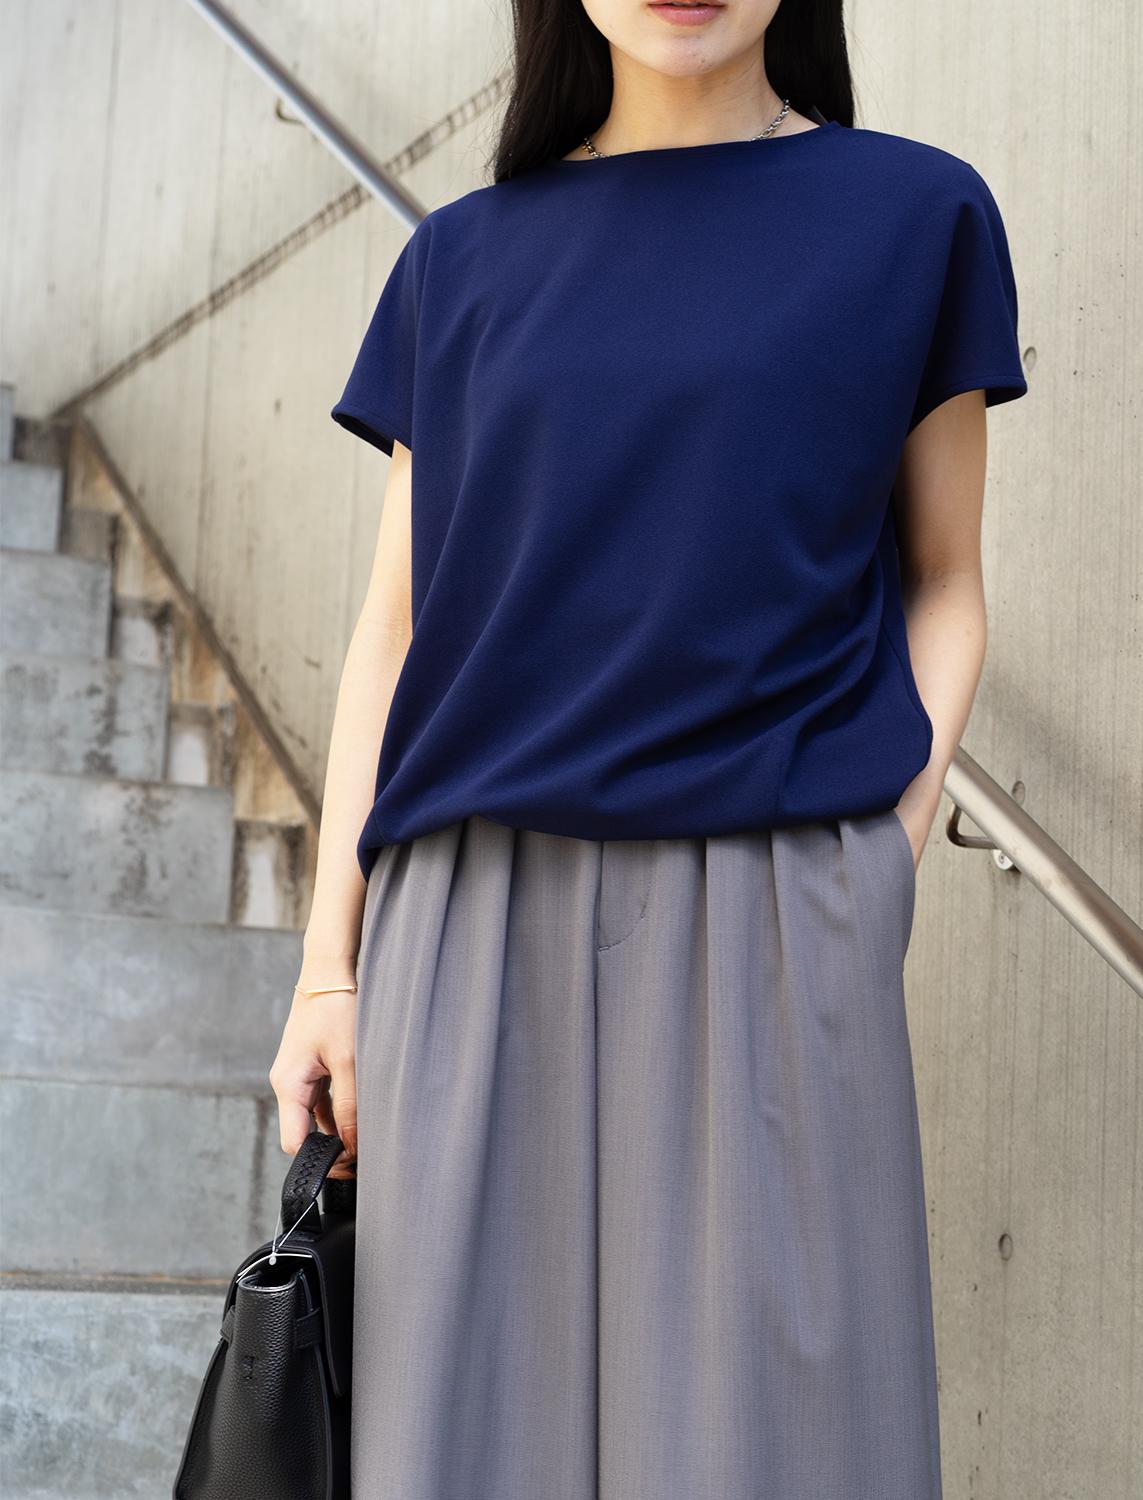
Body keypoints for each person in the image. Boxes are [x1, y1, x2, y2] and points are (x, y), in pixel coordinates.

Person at [268, 0, 1028, 1493]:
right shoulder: (459, 260)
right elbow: (398, 631)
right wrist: (326, 969)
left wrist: (884, 846)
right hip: (470, 914)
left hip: (776, 903)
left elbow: (946, 580)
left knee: (783, 1451)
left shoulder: (915, 213)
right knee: (467, 1446)